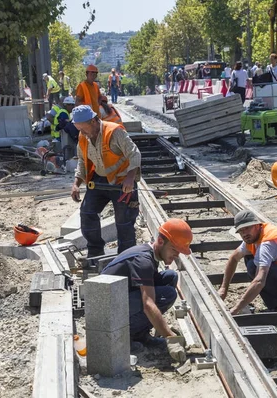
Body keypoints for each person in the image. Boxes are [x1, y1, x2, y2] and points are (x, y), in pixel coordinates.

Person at [101, 218, 192, 359]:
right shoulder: (143, 261)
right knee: (167, 294)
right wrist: (170, 336)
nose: (176, 256)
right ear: (161, 242)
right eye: (174, 250)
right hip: (105, 313)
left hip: (117, 300)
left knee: (170, 277)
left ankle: (141, 334)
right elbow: (148, 304)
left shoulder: (149, 253)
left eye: (179, 252)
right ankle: (125, 338)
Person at [70, 105, 141, 257]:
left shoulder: (114, 132)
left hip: (122, 181)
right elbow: (82, 162)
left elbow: (135, 154)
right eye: (79, 129)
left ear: (94, 121)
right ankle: (95, 253)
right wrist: (76, 183)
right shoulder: (84, 137)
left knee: (124, 222)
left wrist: (130, 179)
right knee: (87, 213)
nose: (81, 133)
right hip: (99, 180)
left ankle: (126, 257)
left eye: (83, 129)